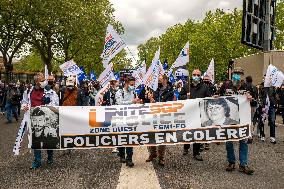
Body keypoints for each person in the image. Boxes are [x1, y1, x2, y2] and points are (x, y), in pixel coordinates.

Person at [219, 67, 254, 175]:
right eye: (235, 73)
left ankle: (243, 164)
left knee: (243, 141)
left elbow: (255, 103)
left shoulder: (248, 87)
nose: (237, 75)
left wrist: (250, 99)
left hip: (242, 119)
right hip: (229, 118)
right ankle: (231, 162)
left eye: (239, 73)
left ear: (243, 75)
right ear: (232, 74)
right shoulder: (226, 86)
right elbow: (218, 98)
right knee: (229, 141)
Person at [21, 72, 59, 169]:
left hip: (47, 119)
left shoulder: (50, 91)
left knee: (48, 139)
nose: (43, 82)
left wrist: (48, 103)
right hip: (34, 119)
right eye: (41, 81)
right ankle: (37, 161)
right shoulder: (28, 91)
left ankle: (50, 157)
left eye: (44, 80)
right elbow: (24, 102)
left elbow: (56, 104)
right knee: (35, 140)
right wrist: (25, 107)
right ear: (36, 81)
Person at [183, 69, 211, 160]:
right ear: (191, 75)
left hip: (200, 114)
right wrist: (185, 96)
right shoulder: (187, 86)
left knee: (197, 133)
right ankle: (186, 148)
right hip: (188, 113)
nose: (196, 76)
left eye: (198, 75)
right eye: (194, 74)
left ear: (200, 76)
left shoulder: (205, 87)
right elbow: (180, 96)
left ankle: (196, 152)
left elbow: (209, 99)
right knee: (187, 131)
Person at [146, 75, 174, 166]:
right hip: (154, 116)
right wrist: (150, 98)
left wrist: (157, 103)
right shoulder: (156, 89)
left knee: (162, 136)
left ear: (165, 80)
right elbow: (151, 102)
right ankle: (152, 153)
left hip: (164, 117)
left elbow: (168, 104)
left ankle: (161, 157)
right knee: (151, 135)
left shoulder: (171, 91)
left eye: (160, 80)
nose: (158, 82)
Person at [115, 77, 142, 167]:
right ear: (126, 83)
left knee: (130, 137)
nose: (132, 86)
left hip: (131, 118)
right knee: (121, 136)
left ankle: (129, 158)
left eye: (133, 84)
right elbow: (119, 103)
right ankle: (122, 154)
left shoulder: (133, 92)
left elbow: (134, 103)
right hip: (120, 118)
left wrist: (138, 102)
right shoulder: (119, 92)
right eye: (131, 84)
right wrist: (132, 101)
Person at [258, 76, 277, 144]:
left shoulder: (272, 86)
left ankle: (272, 137)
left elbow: (275, 96)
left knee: (272, 121)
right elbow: (259, 97)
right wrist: (262, 106)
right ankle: (262, 135)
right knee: (262, 121)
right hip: (264, 106)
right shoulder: (261, 86)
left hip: (271, 106)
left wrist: (275, 104)